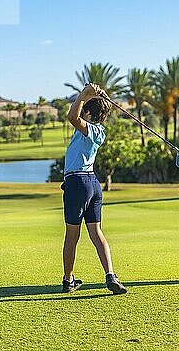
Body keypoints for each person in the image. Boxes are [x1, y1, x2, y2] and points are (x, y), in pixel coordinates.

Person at [61, 82, 127, 294]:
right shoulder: (100, 131)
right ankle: (110, 275)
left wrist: (82, 95)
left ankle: (68, 280)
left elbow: (72, 117)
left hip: (77, 182)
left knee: (72, 236)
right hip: (92, 184)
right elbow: (78, 116)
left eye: (84, 108)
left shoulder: (88, 128)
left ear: (88, 112)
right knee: (96, 233)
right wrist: (97, 96)